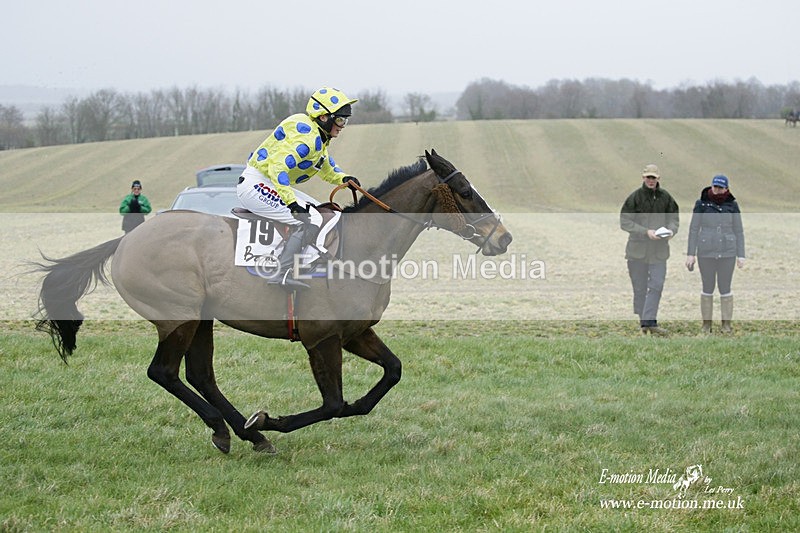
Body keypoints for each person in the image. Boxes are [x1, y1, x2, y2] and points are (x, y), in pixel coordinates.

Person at [237, 87, 361, 289]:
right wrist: (292, 203)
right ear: (323, 117)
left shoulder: (319, 137)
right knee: (312, 218)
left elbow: (327, 168)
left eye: (345, 121)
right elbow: (278, 168)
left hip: (269, 182)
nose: (342, 126)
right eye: (340, 120)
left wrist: (344, 178)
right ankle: (282, 273)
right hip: (256, 184)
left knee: (321, 213)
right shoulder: (308, 140)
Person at [620, 164, 680, 336]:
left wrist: (671, 231)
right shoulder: (634, 198)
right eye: (648, 177)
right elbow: (625, 221)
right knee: (639, 289)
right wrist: (645, 232)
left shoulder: (666, 197)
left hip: (659, 252)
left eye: (654, 177)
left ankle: (649, 322)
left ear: (658, 178)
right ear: (643, 177)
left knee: (657, 285)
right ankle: (644, 323)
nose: (651, 180)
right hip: (637, 252)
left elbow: (674, 218)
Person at [685, 174, 745, 334]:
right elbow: (694, 229)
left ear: (726, 189)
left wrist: (741, 255)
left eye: (720, 187)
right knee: (707, 287)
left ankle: (726, 325)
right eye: (715, 187)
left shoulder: (732, 205)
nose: (717, 190)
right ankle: (706, 325)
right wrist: (691, 254)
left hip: (727, 253)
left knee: (725, 287)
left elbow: (738, 230)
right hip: (706, 253)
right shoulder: (701, 204)